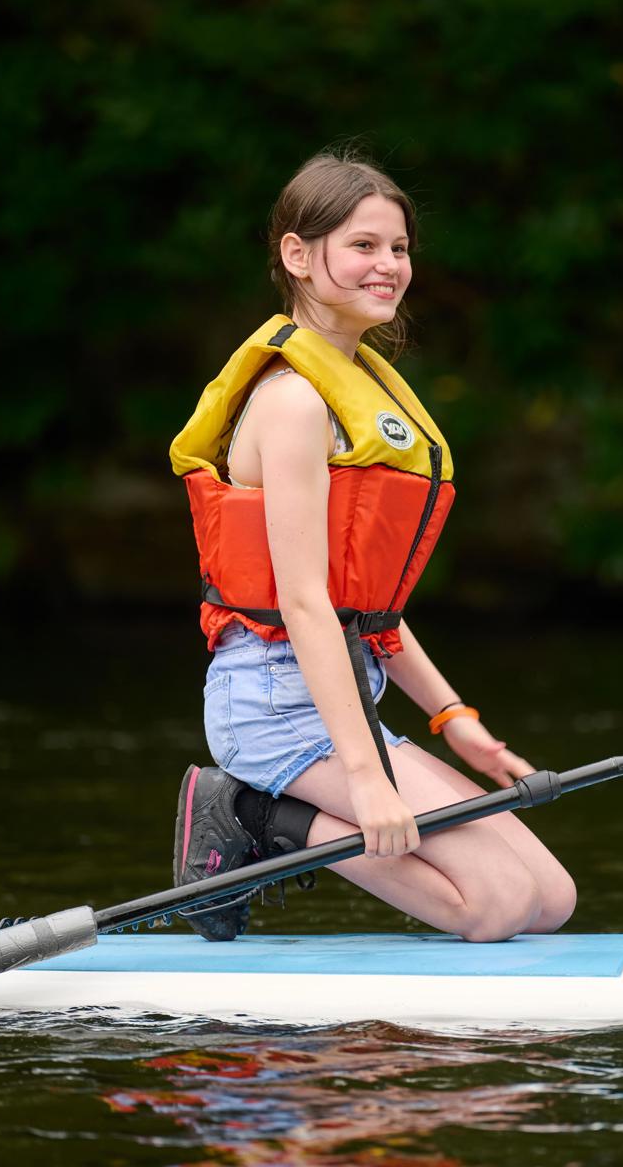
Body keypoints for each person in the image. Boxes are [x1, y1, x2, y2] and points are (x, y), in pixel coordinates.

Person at [167, 151, 575, 943]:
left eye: (398, 248)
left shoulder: (362, 392)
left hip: (345, 701)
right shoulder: (292, 401)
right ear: (298, 255)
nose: (388, 266)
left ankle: (287, 801)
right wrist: (366, 776)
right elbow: (303, 602)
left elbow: (366, 603)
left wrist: (454, 718)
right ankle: (250, 812)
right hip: (276, 711)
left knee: (549, 898)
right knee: (493, 906)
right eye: (363, 246)